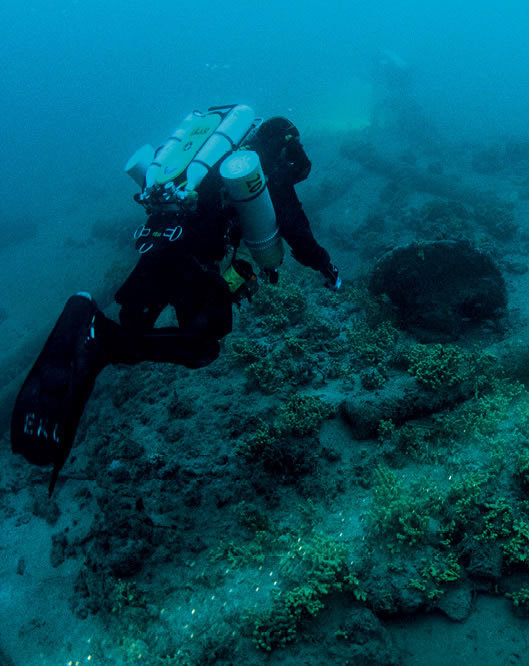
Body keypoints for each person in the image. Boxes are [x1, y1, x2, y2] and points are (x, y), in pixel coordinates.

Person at [10, 107, 339, 492]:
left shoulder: (207, 160)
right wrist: (326, 267)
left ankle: (84, 325)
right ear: (282, 148)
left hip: (159, 244)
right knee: (203, 345)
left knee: (133, 326)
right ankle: (98, 336)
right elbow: (296, 229)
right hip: (189, 261)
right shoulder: (253, 172)